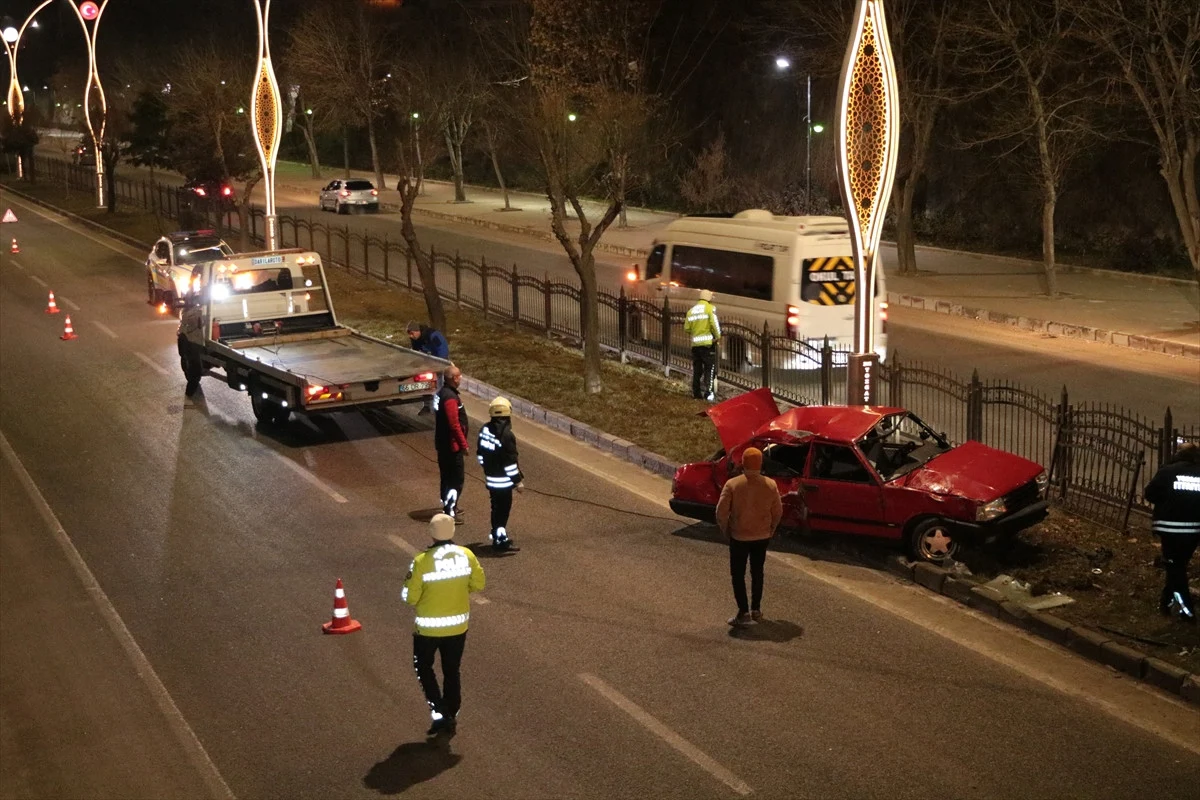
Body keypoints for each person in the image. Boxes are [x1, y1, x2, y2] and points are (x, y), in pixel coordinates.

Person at [403, 513, 486, 735]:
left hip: (427, 629)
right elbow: (478, 584)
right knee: (452, 670)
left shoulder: (422, 561)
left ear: (431, 533)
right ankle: (451, 711)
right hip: (458, 627)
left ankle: (439, 710)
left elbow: (409, 597)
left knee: (423, 667)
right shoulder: (467, 555)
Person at [715, 446, 782, 626]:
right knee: (757, 572)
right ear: (761, 463)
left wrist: (726, 530)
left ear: (743, 463)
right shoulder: (770, 484)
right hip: (762, 536)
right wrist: (771, 529)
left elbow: (720, 512)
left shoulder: (733, 485)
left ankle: (743, 612)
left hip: (739, 536)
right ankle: (756, 609)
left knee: (738, 574)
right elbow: (777, 512)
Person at [1145, 443, 1200, 623]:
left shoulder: (1167, 472)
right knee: (1178, 566)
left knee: (1175, 567)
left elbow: (1150, 494)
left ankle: (1186, 610)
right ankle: (1166, 602)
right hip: (1193, 530)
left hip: (1170, 528)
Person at [477, 396, 523, 552]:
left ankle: (496, 534)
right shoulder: (507, 436)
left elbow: (480, 454)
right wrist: (517, 481)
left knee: (495, 509)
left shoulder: (484, 429)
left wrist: (488, 469)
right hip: (503, 483)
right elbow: (510, 462)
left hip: (491, 479)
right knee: (502, 512)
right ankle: (500, 540)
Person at [433, 366, 469, 521]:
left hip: (443, 443)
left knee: (447, 477)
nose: (461, 378)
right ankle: (450, 511)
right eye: (459, 376)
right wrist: (463, 445)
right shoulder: (450, 398)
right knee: (456, 479)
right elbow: (454, 424)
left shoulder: (442, 393)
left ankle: (449, 505)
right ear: (454, 378)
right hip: (451, 446)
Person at [684, 289, 721, 401]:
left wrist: (697, 332)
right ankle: (708, 393)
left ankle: (696, 393)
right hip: (708, 345)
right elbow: (714, 324)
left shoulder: (691, 311)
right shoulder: (710, 309)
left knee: (697, 370)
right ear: (709, 299)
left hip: (696, 345)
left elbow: (687, 328)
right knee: (709, 369)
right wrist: (718, 336)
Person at [408, 321, 450, 414]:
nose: (411, 336)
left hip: (439, 360)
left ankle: (442, 405)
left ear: (417, 331)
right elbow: (416, 351)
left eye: (412, 333)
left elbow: (442, 350)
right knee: (424, 382)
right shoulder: (415, 338)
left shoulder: (433, 335)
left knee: (440, 382)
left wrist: (440, 364)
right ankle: (427, 406)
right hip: (426, 360)